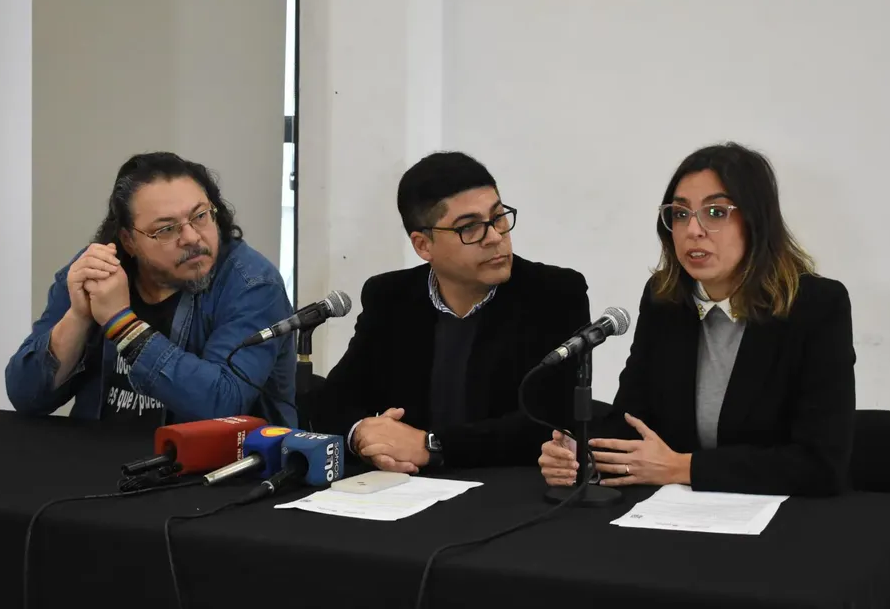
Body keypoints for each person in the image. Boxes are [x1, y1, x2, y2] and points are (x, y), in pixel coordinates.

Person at [539, 142, 855, 496]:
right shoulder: (665, 300)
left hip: (785, 517)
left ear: (756, 221)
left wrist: (684, 468)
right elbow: (632, 421)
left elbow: (821, 464)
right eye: (680, 214)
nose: (693, 230)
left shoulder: (816, 306)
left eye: (716, 213)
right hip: (677, 514)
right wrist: (581, 455)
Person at [320, 151, 590, 471]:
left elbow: (550, 420)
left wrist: (431, 446)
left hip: (508, 487)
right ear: (423, 245)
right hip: (405, 487)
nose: (495, 237)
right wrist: (362, 435)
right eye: (470, 227)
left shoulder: (554, 294)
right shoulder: (390, 297)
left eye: (498, 218)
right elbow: (332, 400)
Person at [6, 152, 297, 427]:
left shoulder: (253, 284)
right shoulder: (98, 271)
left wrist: (122, 325)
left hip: (208, 461)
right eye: (166, 229)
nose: (192, 237)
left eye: (200, 216)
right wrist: (79, 316)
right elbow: (26, 396)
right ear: (129, 241)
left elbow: (222, 403)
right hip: (94, 455)